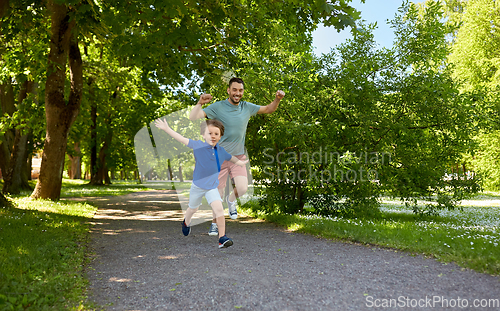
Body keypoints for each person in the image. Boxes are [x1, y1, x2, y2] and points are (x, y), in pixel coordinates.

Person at [189, 77, 285, 236]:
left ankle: (231, 199)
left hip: (238, 157)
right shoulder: (218, 107)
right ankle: (214, 224)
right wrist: (199, 103)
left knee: (242, 188)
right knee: (217, 194)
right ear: (228, 90)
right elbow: (193, 116)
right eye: (234, 90)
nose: (237, 93)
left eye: (240, 90)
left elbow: (269, 109)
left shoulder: (247, 107)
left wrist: (277, 99)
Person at [154, 118, 248, 248]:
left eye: (216, 134)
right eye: (209, 133)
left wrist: (240, 163)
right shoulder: (198, 145)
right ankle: (186, 222)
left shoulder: (221, 151)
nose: (213, 136)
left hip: (211, 188)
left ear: (220, 137)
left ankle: (222, 238)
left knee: (219, 209)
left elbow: (231, 158)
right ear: (203, 135)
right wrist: (167, 129)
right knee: (193, 208)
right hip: (197, 187)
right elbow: (181, 139)